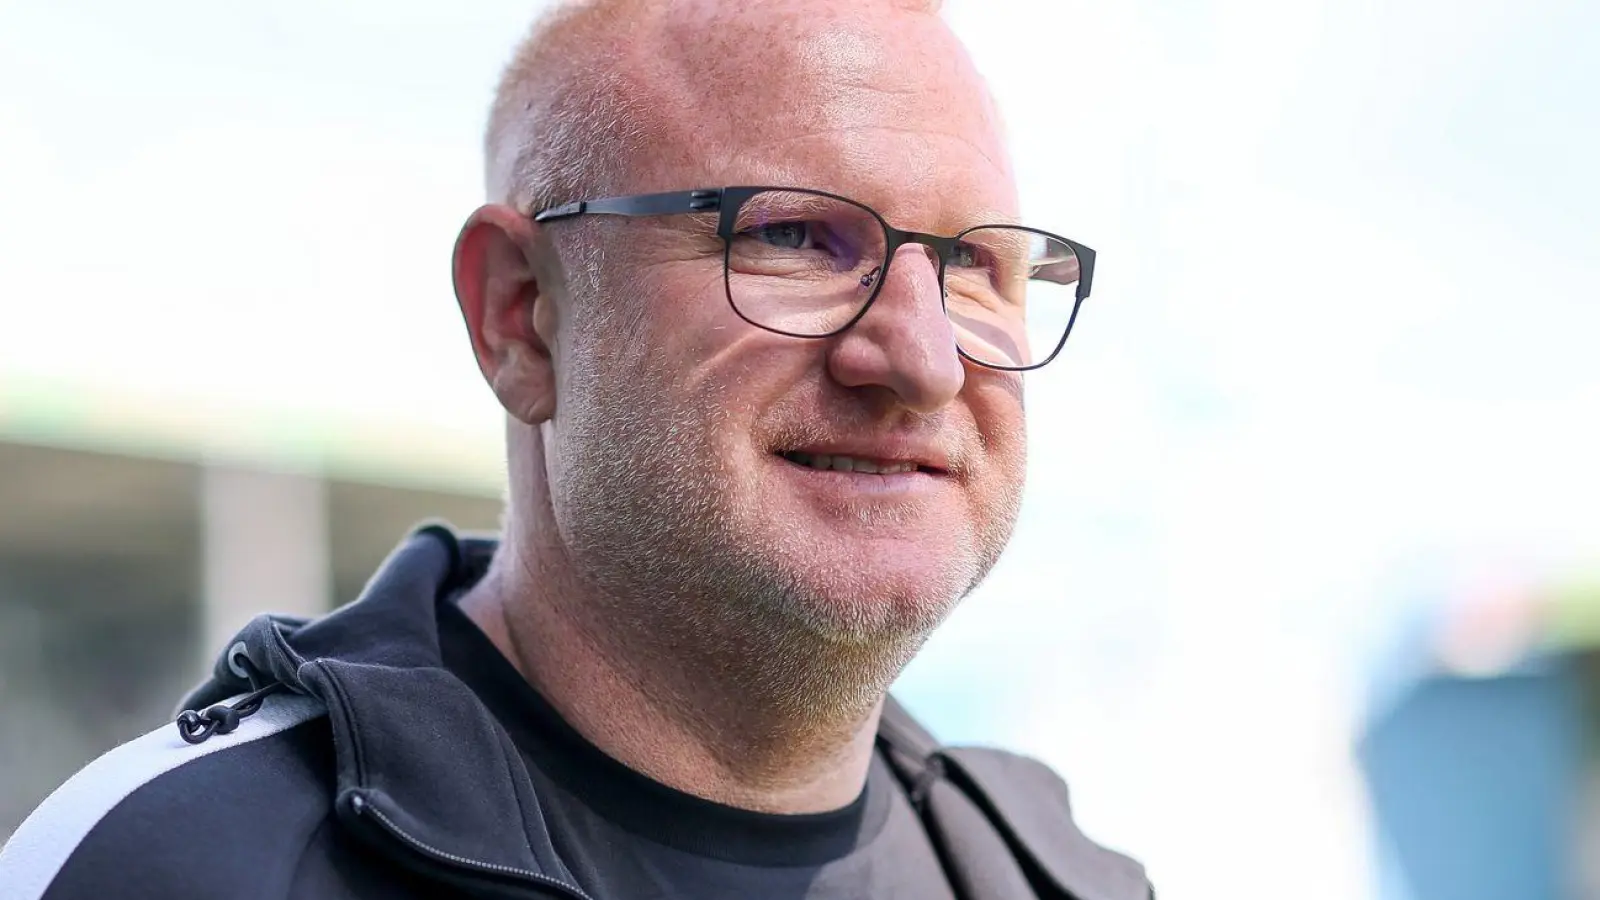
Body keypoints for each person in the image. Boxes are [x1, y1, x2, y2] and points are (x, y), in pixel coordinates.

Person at [0, 1, 1150, 897]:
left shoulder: (1065, 881)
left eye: (973, 265)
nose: (924, 360)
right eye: (795, 236)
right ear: (522, 315)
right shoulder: (182, 866)